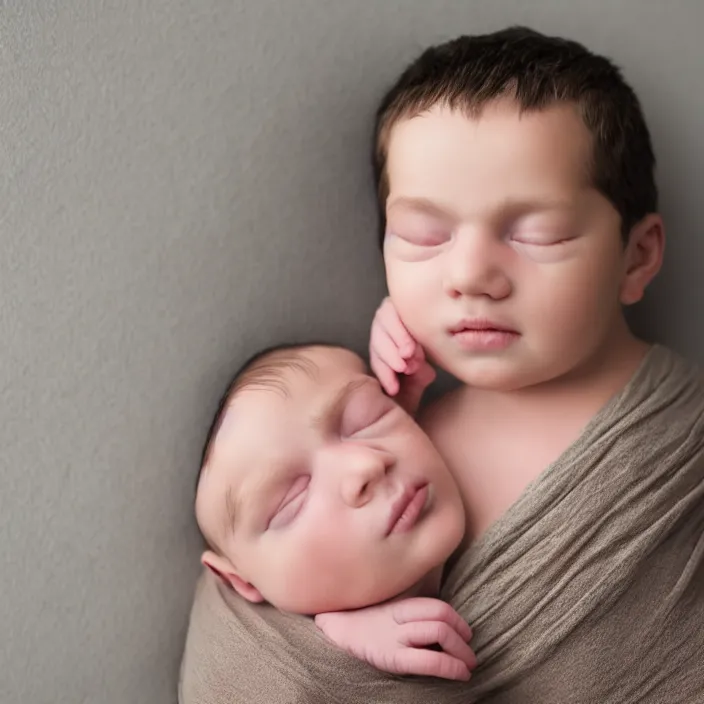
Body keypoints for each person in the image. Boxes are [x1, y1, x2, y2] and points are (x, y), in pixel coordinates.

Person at [180, 27, 704, 703]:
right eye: (425, 237)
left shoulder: (681, 433)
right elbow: (251, 635)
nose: (470, 275)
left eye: (535, 232)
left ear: (636, 257)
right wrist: (340, 636)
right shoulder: (400, 439)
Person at [194, 342, 475, 680]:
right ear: (239, 580)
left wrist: (406, 340)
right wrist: (334, 641)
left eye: (367, 418)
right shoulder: (270, 673)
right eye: (292, 500)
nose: (367, 465)